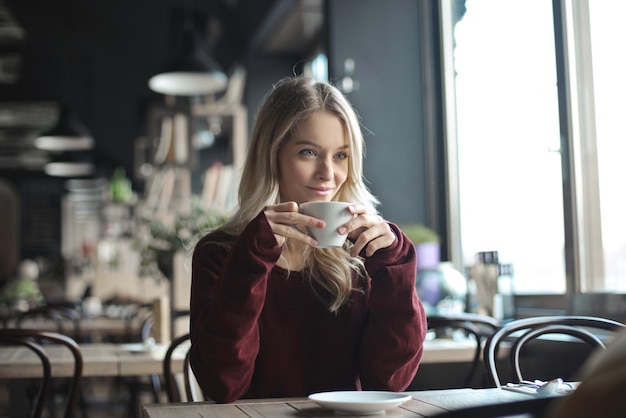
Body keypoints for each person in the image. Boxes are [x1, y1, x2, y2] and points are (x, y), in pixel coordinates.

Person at [189, 75, 427, 403]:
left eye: (341, 155)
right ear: (272, 157)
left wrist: (395, 264)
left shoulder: (362, 255)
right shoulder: (221, 254)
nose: (328, 173)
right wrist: (253, 256)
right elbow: (223, 385)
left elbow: (389, 382)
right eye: (308, 152)